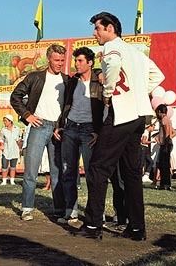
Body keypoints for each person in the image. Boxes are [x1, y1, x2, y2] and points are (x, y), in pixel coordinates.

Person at [75, 12, 165, 240]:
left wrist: (108, 92)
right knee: (132, 173)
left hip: (120, 114)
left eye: (97, 28)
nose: (94, 32)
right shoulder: (136, 52)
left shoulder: (111, 48)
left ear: (110, 28)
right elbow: (158, 75)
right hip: (137, 116)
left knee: (97, 168)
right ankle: (136, 228)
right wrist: (138, 92)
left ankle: (93, 226)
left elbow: (113, 64)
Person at [10, 44, 68, 221]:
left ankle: (59, 210)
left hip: (57, 129)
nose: (59, 63)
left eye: (62, 60)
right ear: (49, 59)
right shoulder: (35, 77)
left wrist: (63, 125)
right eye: (56, 60)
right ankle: (27, 208)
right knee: (31, 171)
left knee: (57, 172)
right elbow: (15, 96)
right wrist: (27, 115)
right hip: (39, 126)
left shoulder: (67, 80)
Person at [53, 46, 104, 224]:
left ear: (90, 63)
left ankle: (96, 212)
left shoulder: (99, 80)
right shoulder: (72, 81)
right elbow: (66, 105)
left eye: (80, 61)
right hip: (71, 128)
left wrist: (98, 131)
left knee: (92, 173)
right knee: (68, 171)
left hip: (90, 131)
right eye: (75, 60)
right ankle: (71, 210)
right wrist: (61, 126)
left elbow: (105, 107)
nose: (77, 64)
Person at [154, 104, 176, 190]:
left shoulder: (164, 120)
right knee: (165, 164)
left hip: (166, 144)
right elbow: (173, 132)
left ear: (160, 111)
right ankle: (165, 184)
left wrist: (165, 141)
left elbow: (167, 131)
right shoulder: (167, 119)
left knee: (164, 165)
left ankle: (165, 184)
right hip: (167, 143)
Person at [0, 114, 21, 185]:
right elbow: (1, 139)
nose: (4, 122)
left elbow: (19, 139)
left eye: (6, 121)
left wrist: (20, 148)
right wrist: (1, 146)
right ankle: (4, 180)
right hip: (6, 150)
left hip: (15, 150)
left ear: (10, 121)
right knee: (4, 166)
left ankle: (12, 180)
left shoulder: (17, 129)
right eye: (4, 121)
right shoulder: (3, 130)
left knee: (13, 166)